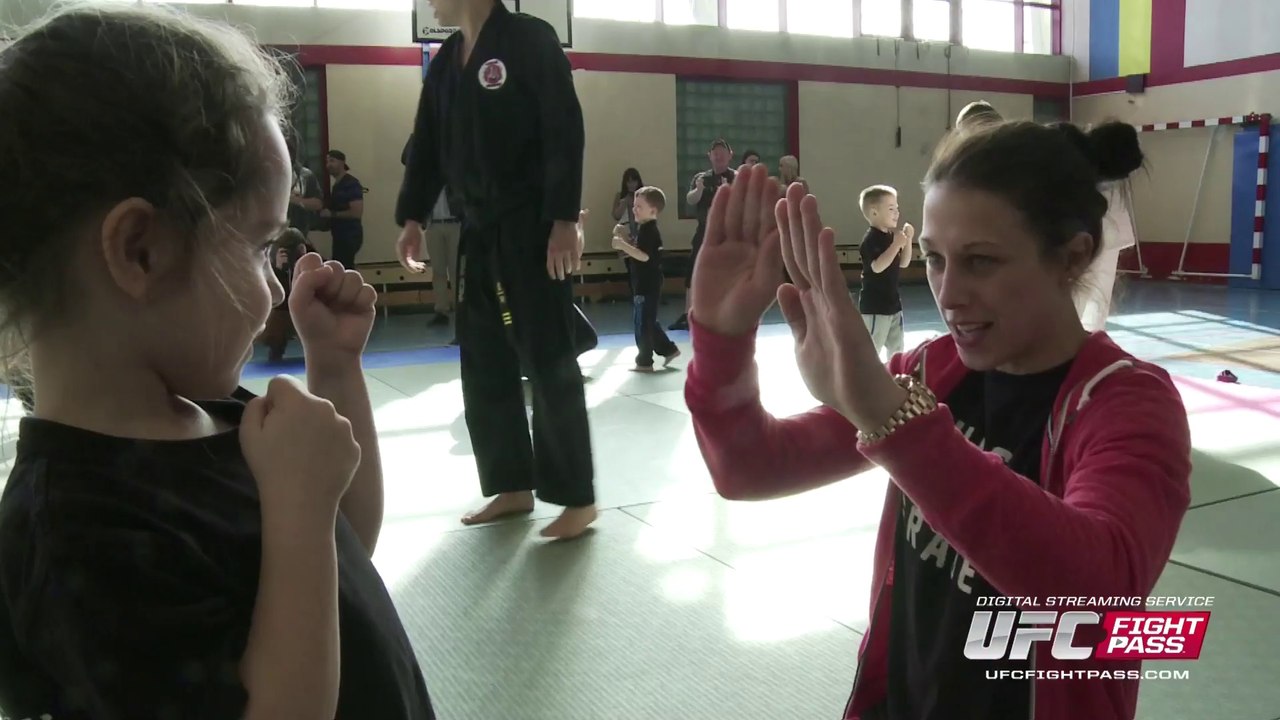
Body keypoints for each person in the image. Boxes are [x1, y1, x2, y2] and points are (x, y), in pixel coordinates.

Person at [0, 5, 437, 720]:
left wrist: (334, 367)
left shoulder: (216, 411)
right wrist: (295, 506)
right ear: (141, 250)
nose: (273, 286)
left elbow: (344, 544)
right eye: (260, 246)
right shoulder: (79, 534)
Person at [684, 125, 1191, 720]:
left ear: (1074, 256)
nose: (948, 294)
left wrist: (889, 416)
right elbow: (750, 469)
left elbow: (1098, 588)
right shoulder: (932, 369)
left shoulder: (1125, 403)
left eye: (980, 261)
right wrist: (721, 337)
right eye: (934, 258)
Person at [395, 0, 596, 540]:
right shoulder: (445, 63)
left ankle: (577, 496)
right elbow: (428, 147)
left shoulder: (530, 39)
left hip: (531, 225)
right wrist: (412, 214)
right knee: (483, 358)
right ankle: (511, 486)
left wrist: (562, 218)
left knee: (549, 354)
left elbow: (563, 127)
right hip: (478, 231)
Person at [611, 186, 680, 372]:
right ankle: (668, 349)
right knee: (648, 320)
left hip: (647, 284)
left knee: (642, 324)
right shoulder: (645, 230)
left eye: (639, 206)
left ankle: (644, 361)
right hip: (645, 282)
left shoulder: (649, 231)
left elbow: (644, 256)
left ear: (653, 210)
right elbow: (639, 250)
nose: (634, 209)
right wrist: (624, 238)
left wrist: (621, 245)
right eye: (634, 205)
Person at [670, 138, 736, 331]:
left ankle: (727, 311)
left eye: (722, 152)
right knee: (693, 270)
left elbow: (743, 202)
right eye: (715, 153)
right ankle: (688, 314)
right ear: (709, 156)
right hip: (704, 231)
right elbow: (690, 200)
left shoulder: (737, 177)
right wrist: (699, 189)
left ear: (730, 155)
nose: (718, 156)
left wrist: (727, 190)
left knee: (728, 272)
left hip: (727, 233)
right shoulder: (702, 177)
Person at [857, 185, 915, 361]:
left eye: (897, 208)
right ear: (874, 213)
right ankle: (868, 378)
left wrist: (908, 240)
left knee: (897, 347)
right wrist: (896, 245)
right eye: (891, 209)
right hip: (875, 307)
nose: (896, 213)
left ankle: (894, 376)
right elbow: (877, 267)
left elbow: (903, 263)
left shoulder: (891, 237)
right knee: (873, 347)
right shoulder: (870, 239)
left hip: (893, 304)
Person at [324, 149, 365, 269]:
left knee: (345, 268)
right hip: (339, 235)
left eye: (332, 161)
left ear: (342, 163)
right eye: (327, 162)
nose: (328, 165)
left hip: (349, 235)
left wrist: (332, 214)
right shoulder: (337, 184)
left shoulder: (351, 183)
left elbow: (357, 213)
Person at [286, 133, 325, 242]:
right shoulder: (267, 175)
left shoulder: (305, 175)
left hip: (299, 233)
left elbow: (318, 204)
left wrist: (294, 200)